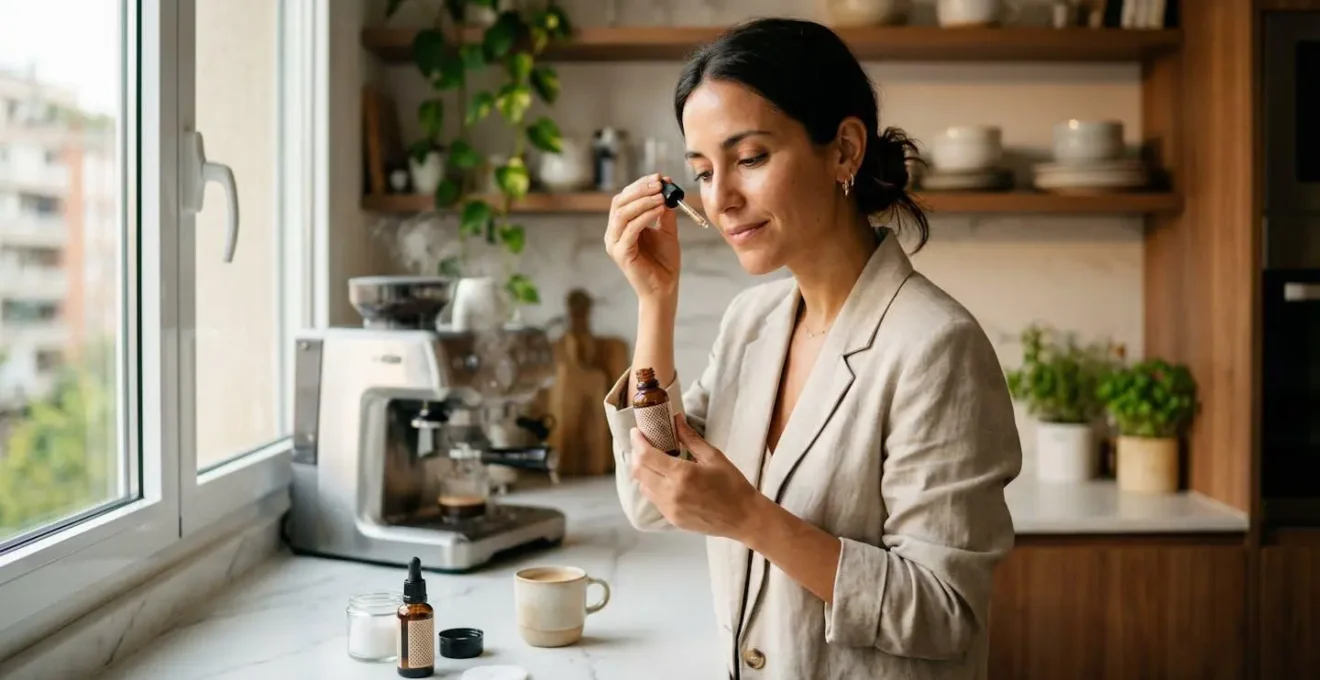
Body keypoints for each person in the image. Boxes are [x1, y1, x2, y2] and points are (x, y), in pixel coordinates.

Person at [600, 17, 1022, 680]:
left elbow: (945, 613)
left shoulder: (936, 348)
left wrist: (751, 519)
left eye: (751, 158)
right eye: (705, 172)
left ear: (845, 150)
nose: (724, 198)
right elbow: (654, 497)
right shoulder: (751, 323)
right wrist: (656, 300)